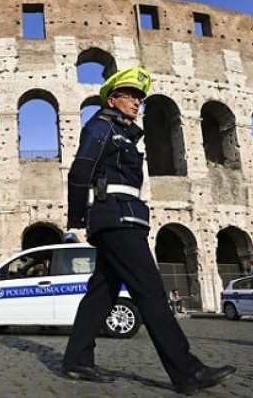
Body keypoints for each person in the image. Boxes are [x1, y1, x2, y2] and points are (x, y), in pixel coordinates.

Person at [61, 67, 236, 393]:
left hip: (125, 216)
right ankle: (186, 371)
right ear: (112, 99)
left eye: (139, 97)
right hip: (115, 217)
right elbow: (80, 169)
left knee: (102, 293)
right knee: (151, 290)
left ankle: (76, 360)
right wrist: (77, 218)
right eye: (129, 95)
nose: (136, 102)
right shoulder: (101, 126)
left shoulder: (125, 134)